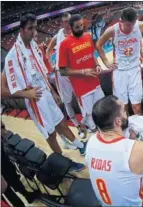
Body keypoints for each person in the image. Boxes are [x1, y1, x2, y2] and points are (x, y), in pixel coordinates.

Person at [3, 13, 86, 171]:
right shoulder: (12, 56)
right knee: (51, 134)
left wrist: (52, 90)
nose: (34, 32)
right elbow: (2, 90)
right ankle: (65, 164)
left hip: (45, 93)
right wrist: (26, 94)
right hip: (35, 101)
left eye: (35, 27)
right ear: (21, 30)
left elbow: (40, 72)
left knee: (61, 122)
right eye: (30, 28)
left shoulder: (34, 46)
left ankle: (80, 146)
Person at [85, 95, 143, 206]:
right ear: (118, 121)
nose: (126, 113)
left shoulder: (91, 141)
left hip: (104, 202)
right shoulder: (141, 148)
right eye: (124, 111)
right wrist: (136, 141)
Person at [96, 8, 143, 115]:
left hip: (135, 69)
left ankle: (139, 130)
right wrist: (106, 62)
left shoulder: (141, 26)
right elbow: (98, 44)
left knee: (136, 107)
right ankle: (127, 129)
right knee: (123, 106)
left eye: (133, 24)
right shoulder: (112, 30)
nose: (130, 27)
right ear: (121, 21)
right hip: (119, 71)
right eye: (128, 24)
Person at [59, 14, 105, 133]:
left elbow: (92, 54)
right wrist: (83, 72)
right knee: (90, 118)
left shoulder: (88, 36)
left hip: (95, 82)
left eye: (81, 26)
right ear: (70, 27)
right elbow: (62, 71)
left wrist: (98, 65)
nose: (80, 29)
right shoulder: (64, 44)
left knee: (102, 109)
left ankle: (105, 135)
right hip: (82, 89)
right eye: (77, 27)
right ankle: (95, 134)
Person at [46, 12, 86, 140]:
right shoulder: (57, 36)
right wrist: (49, 65)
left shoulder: (78, 34)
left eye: (69, 20)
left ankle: (87, 123)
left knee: (82, 98)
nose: (68, 23)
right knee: (67, 102)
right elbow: (48, 50)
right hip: (62, 73)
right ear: (61, 23)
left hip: (76, 72)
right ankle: (77, 125)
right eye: (65, 21)